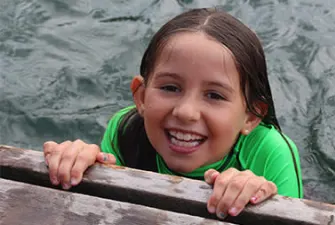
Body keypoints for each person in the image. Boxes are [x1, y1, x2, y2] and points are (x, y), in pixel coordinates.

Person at [43, 8, 303, 219]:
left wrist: (259, 198)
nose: (186, 112)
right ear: (142, 97)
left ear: (251, 115)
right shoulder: (126, 130)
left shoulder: (271, 153)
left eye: (215, 95)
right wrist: (79, 167)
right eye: (170, 87)